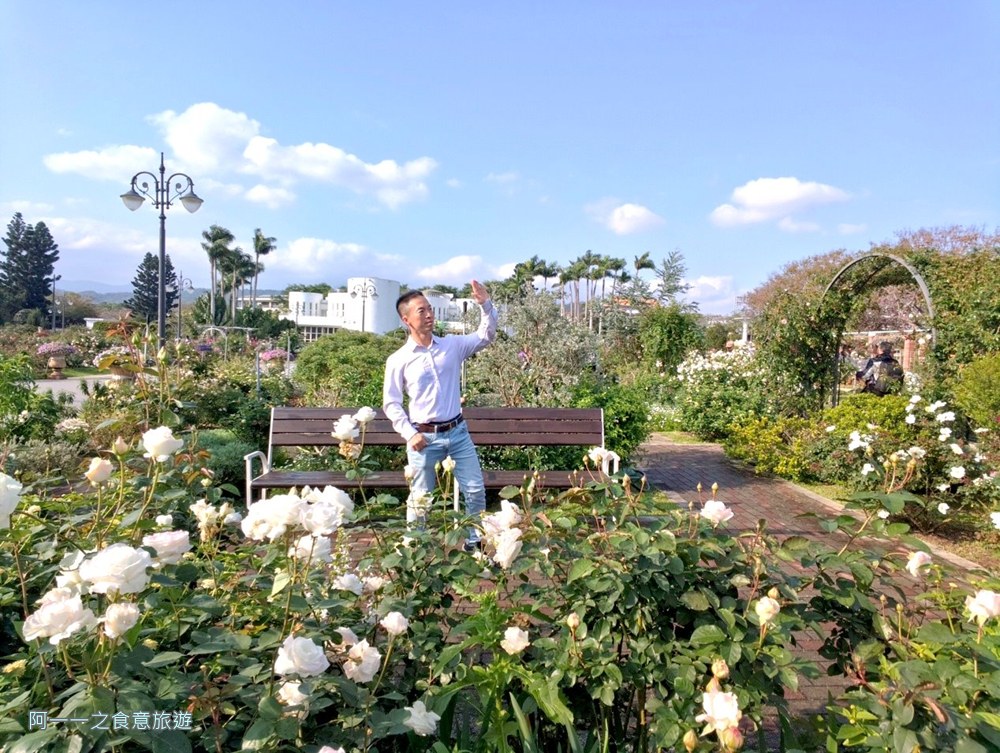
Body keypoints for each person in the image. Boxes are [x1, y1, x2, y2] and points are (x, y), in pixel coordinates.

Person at [382, 280, 497, 550]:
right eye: (422, 311)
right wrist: (410, 434)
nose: (429, 314)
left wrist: (485, 304)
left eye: (430, 309)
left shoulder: (452, 346)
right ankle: (415, 550)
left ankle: (474, 542)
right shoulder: (398, 359)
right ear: (406, 319)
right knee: (420, 500)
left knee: (475, 491)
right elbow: (391, 403)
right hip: (424, 438)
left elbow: (486, 336)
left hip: (458, 433)